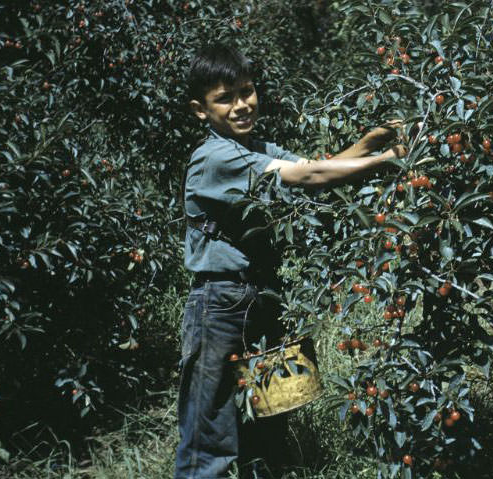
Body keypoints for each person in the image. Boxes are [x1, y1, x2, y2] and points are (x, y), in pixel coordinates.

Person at [174, 42, 407, 479]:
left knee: (271, 422)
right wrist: (387, 161)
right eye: (225, 98)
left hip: (265, 298)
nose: (242, 105)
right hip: (221, 306)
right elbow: (311, 175)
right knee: (211, 436)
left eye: (246, 91)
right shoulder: (214, 157)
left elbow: (317, 170)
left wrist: (367, 144)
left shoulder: (257, 147)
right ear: (200, 110)